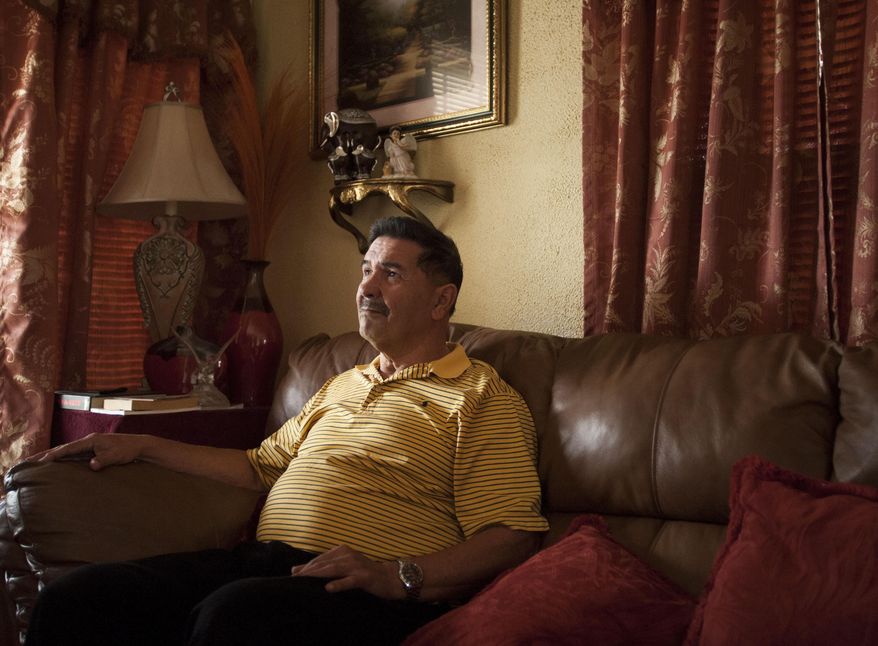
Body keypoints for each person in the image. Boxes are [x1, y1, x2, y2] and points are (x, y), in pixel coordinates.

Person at [25, 216, 548, 646]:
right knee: (78, 599)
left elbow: (512, 536)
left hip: (360, 589)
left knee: (230, 619)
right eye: (365, 270)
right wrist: (140, 444)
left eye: (391, 274)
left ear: (440, 301)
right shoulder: (343, 382)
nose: (366, 287)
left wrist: (396, 576)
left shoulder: (480, 398)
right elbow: (257, 467)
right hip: (262, 564)